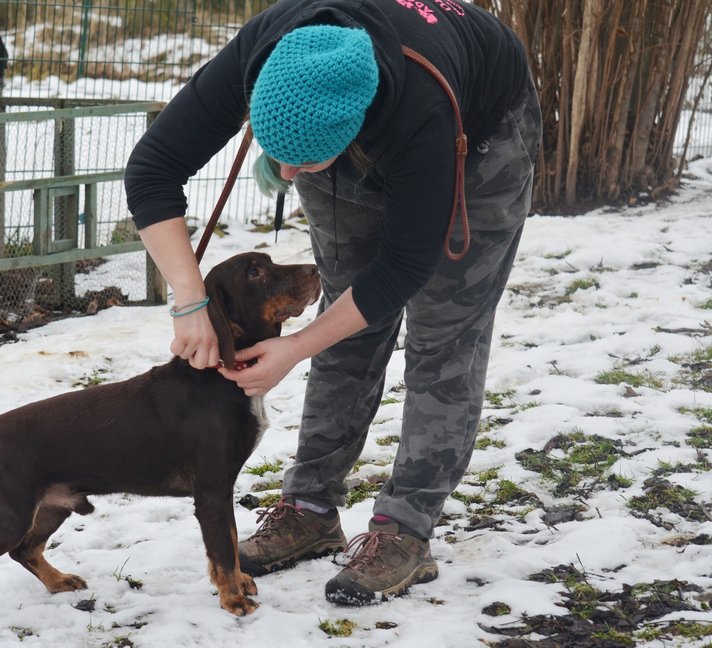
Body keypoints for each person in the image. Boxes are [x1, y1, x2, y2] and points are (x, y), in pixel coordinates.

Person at [124, 0, 541, 606]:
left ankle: (406, 527)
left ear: (356, 128)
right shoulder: (265, 48)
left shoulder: (421, 110)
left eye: (305, 163)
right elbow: (151, 169)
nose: (287, 176)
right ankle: (311, 507)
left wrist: (293, 347)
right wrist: (189, 303)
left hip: (476, 134)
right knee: (343, 318)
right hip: (349, 119)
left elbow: (403, 267)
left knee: (444, 334)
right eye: (276, 156)